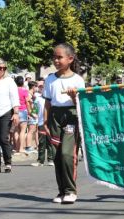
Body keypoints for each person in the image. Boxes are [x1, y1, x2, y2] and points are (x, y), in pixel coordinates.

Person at [43, 43, 85, 204]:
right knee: (57, 156)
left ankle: (70, 190)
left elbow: (81, 104)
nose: (56, 60)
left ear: (70, 58)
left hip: (71, 116)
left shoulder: (78, 80)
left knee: (67, 154)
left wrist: (74, 97)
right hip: (54, 116)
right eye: (54, 57)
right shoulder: (50, 79)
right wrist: (44, 121)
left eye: (59, 57)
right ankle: (61, 191)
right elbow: (47, 102)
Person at [31, 79, 55, 167]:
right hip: (41, 122)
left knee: (50, 141)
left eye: (42, 86)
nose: (41, 88)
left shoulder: (52, 98)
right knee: (41, 142)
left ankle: (51, 159)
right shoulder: (37, 98)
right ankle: (40, 161)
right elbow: (35, 110)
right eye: (39, 86)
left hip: (51, 122)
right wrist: (33, 114)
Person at [13, 76, 29, 154]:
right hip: (23, 110)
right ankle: (21, 148)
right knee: (23, 131)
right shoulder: (25, 91)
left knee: (16, 130)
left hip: (15, 111)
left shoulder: (13, 91)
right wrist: (30, 112)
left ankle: (16, 148)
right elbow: (27, 101)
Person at [25, 80, 39, 153]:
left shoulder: (33, 94)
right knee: (30, 131)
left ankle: (37, 145)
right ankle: (28, 146)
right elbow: (28, 105)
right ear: (33, 87)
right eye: (36, 86)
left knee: (35, 131)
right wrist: (31, 114)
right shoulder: (29, 94)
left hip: (35, 114)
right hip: (31, 115)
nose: (37, 88)